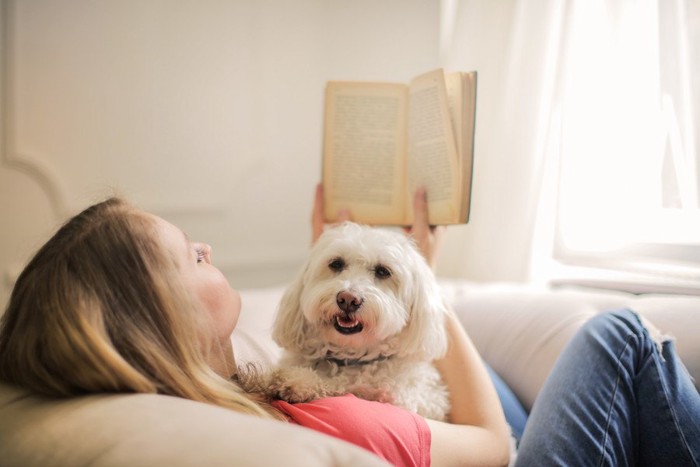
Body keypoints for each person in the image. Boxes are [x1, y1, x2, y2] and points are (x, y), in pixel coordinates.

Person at [1, 185, 698, 466]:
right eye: (191, 255)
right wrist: (425, 284)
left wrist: (342, 262)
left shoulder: (246, 393)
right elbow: (494, 443)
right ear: (157, 318)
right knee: (619, 333)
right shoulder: (327, 417)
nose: (209, 250)